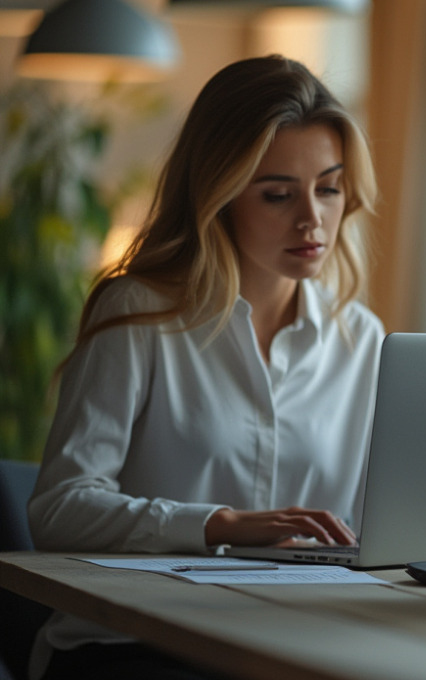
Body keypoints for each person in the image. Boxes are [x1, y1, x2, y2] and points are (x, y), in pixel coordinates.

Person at [26, 55, 384, 679]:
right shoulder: (139, 312)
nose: (312, 218)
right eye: (278, 194)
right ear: (219, 197)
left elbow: (375, 530)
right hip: (132, 645)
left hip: (291, 642)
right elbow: (59, 508)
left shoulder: (361, 339)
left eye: (328, 188)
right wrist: (219, 525)